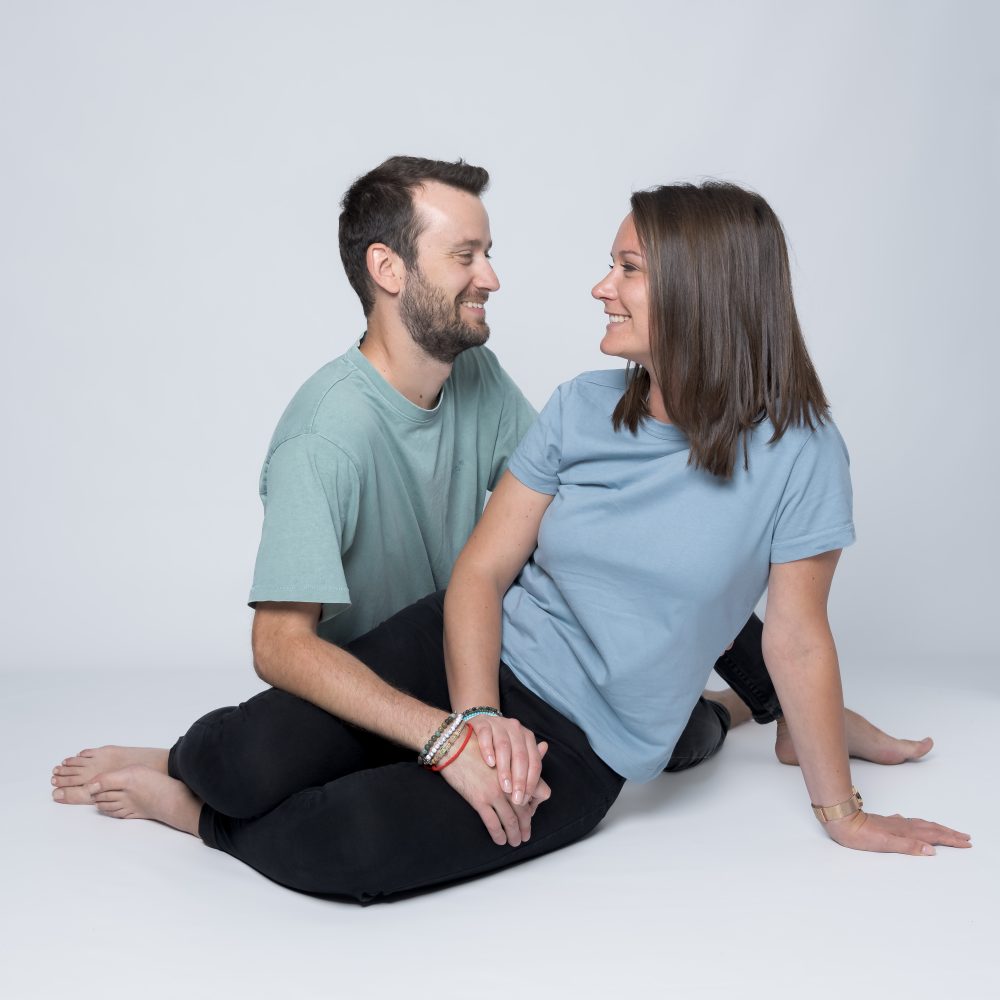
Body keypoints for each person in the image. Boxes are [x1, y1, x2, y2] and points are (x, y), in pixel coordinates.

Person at [55, 181, 968, 901]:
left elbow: (795, 633)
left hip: (587, 745)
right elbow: (482, 575)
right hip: (465, 655)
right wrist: (476, 723)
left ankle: (196, 819)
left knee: (346, 845)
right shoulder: (578, 407)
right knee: (235, 762)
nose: (600, 285)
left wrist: (840, 813)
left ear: (706, 287)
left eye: (629, 267)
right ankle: (190, 770)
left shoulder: (802, 451)